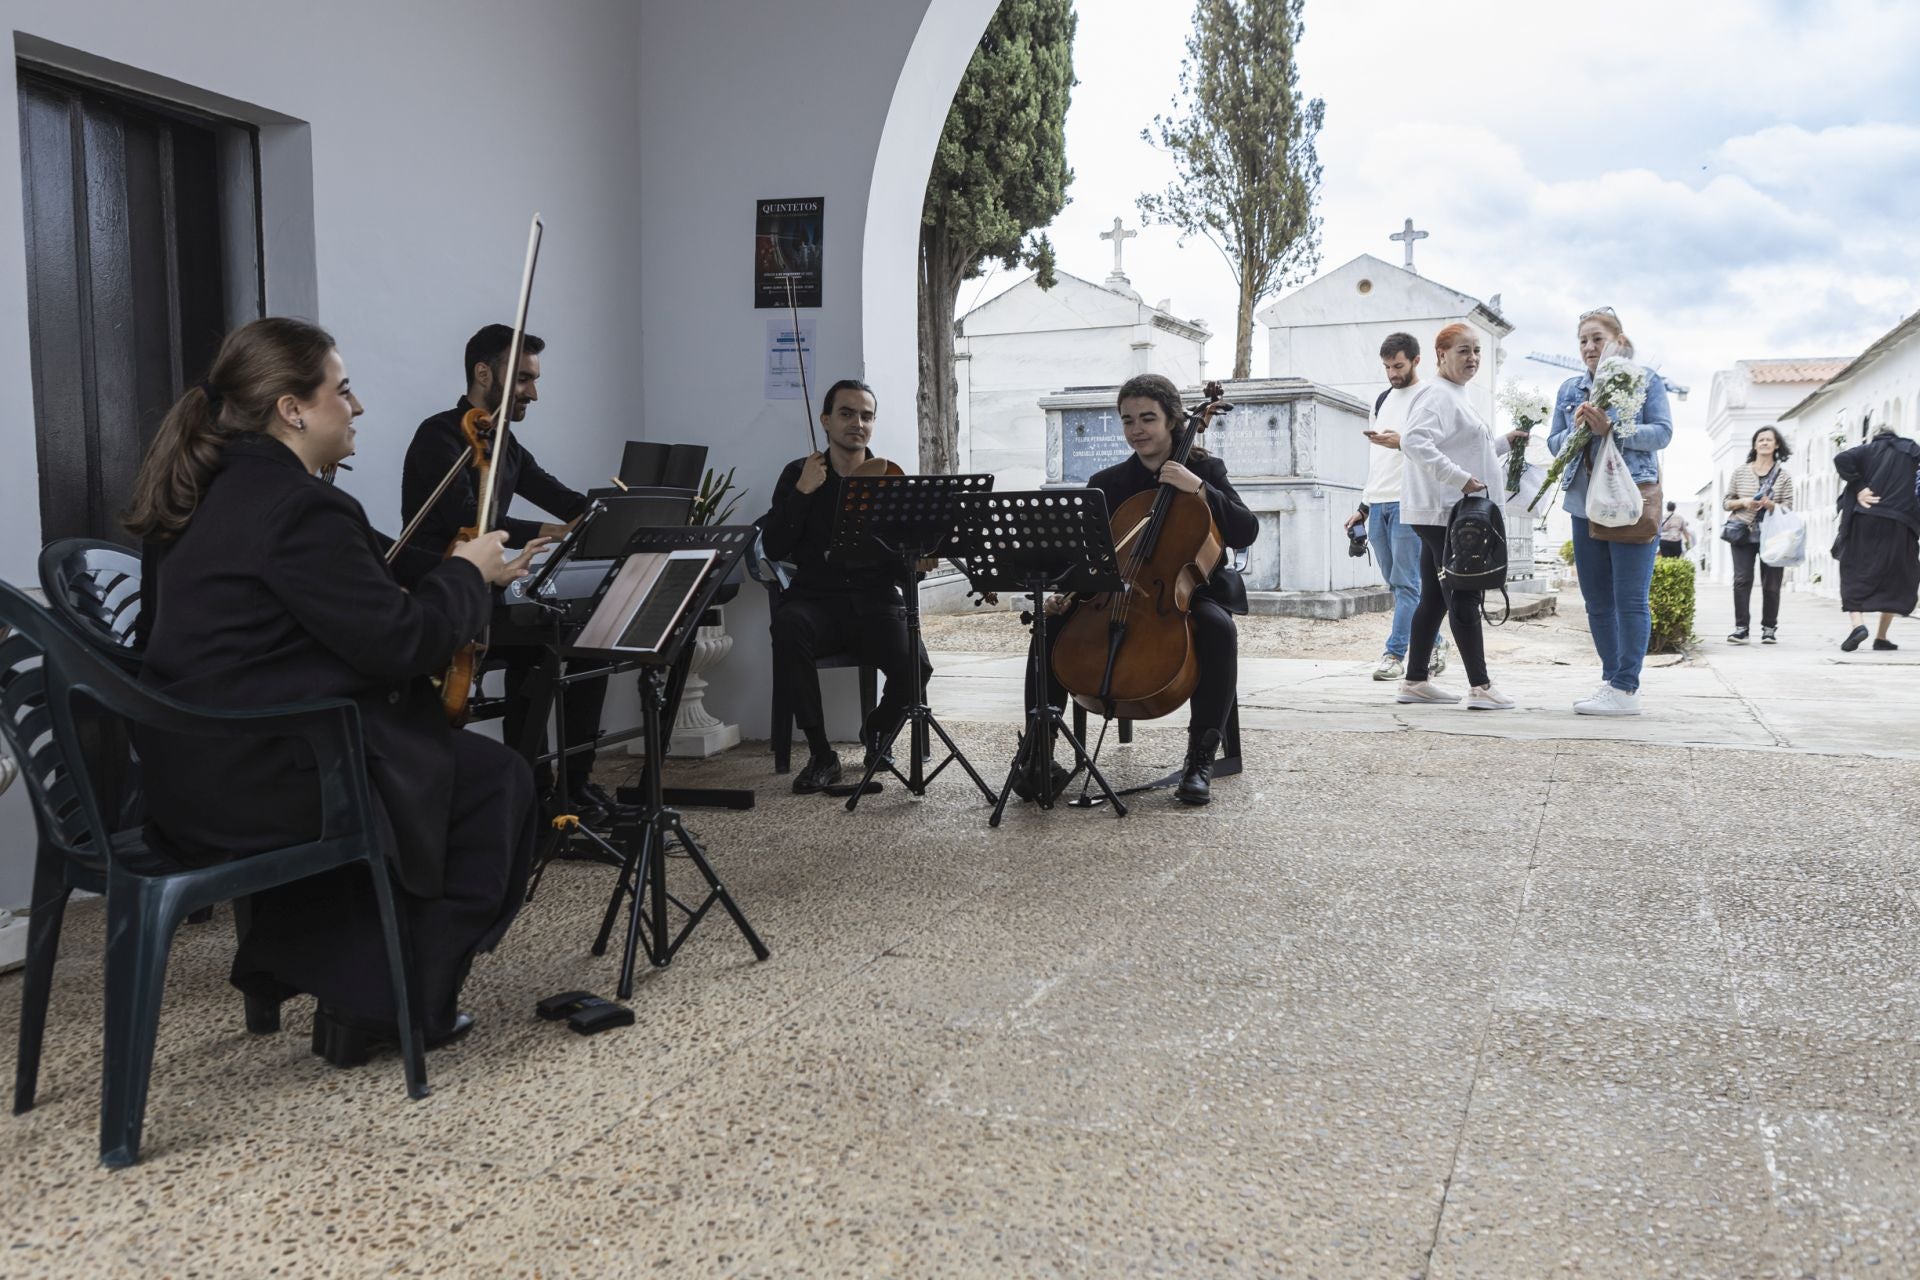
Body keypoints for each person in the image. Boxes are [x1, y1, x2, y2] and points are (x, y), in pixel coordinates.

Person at [124, 317, 542, 1061]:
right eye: (341, 390)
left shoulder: (204, 490)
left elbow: (348, 595)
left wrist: (463, 570)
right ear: (293, 408)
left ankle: (339, 972)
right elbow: (400, 643)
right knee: (494, 781)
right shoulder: (301, 506)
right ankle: (392, 1001)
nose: (357, 407)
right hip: (265, 781)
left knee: (425, 764)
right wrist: (466, 576)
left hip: (189, 771)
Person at [400, 325, 615, 823]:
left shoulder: (507, 444)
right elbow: (473, 521)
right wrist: (554, 530)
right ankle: (532, 790)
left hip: (490, 596)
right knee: (550, 641)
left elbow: (560, 496)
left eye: (533, 380)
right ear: (483, 373)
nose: (532, 393)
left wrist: (608, 512)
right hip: (444, 593)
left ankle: (573, 784)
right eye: (522, 379)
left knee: (586, 636)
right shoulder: (440, 436)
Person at [1030, 374, 1259, 806]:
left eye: (1147, 418)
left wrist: (1198, 488)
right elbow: (1087, 555)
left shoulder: (1205, 469)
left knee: (1218, 630)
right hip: (1116, 591)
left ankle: (1199, 759)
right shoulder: (1109, 481)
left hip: (1191, 593)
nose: (1137, 429)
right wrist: (1067, 591)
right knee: (1049, 627)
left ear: (1172, 420)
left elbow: (1246, 530)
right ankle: (1037, 755)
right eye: (1128, 420)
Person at [760, 379, 932, 794]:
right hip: (816, 600)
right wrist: (803, 492)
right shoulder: (798, 473)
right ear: (826, 420)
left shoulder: (888, 479)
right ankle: (821, 755)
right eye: (847, 413)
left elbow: (905, 558)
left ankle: (876, 731)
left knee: (918, 667)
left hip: (875, 602)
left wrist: (918, 560)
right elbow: (774, 545)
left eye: (866, 416)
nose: (857, 423)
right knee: (788, 626)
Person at [1546, 307, 1673, 716]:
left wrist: (1613, 427)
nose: (1588, 347)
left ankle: (1626, 686)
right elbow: (1553, 444)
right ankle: (1611, 682)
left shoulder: (1645, 381)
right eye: (1582, 340)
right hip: (1584, 504)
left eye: (1597, 338)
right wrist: (1578, 430)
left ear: (1618, 340)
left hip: (1629, 499)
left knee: (1630, 598)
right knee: (1596, 600)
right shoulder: (1570, 390)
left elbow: (1662, 433)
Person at [1396, 324, 1523, 711]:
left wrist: (1503, 444)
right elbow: (1414, 441)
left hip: (1445, 512)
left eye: (1477, 351)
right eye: (1464, 351)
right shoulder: (1436, 394)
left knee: (1434, 599)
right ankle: (1480, 687)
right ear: (1441, 355)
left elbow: (1464, 447)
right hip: (1443, 514)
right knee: (1463, 593)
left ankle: (1415, 680)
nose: (1473, 359)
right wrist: (1459, 479)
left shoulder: (1455, 395)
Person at [1342, 332, 1447, 682]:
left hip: (1410, 502)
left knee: (1406, 584)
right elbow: (1376, 460)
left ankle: (1394, 654)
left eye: (1398, 366)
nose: (1392, 373)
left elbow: (1436, 449)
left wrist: (1401, 442)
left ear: (1417, 361)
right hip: (1379, 503)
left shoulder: (1431, 396)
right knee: (1396, 583)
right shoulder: (1383, 399)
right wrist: (1364, 506)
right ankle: (1436, 640)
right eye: (1387, 367)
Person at [1833, 422, 1920, 651]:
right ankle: (1881, 637)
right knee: (1895, 576)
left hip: (1865, 520)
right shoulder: (1911, 450)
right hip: (1902, 523)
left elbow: (1841, 459)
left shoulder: (1868, 450)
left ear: (1874, 436)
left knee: (1854, 570)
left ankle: (1857, 625)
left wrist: (1860, 487)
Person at [1721, 426, 1795, 644]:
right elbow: (1726, 502)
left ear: (1777, 445)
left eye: (1768, 440)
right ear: (1754, 445)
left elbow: (1789, 507)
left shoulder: (1784, 476)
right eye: (1760, 439)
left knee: (1772, 583)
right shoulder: (1741, 471)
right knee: (1742, 580)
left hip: (1774, 535)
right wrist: (1744, 502)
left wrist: (1770, 504)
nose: (1764, 443)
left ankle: (1769, 628)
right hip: (1742, 532)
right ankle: (1741, 628)